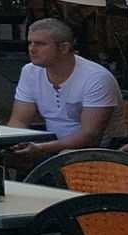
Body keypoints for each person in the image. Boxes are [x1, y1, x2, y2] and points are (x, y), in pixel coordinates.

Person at [8, 17, 122, 166]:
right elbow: (19, 120)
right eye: (30, 43)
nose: (32, 49)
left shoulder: (96, 78)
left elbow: (90, 136)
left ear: (63, 48)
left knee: (64, 159)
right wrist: (13, 144)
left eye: (40, 44)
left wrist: (42, 148)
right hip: (50, 145)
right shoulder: (30, 71)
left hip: (97, 152)